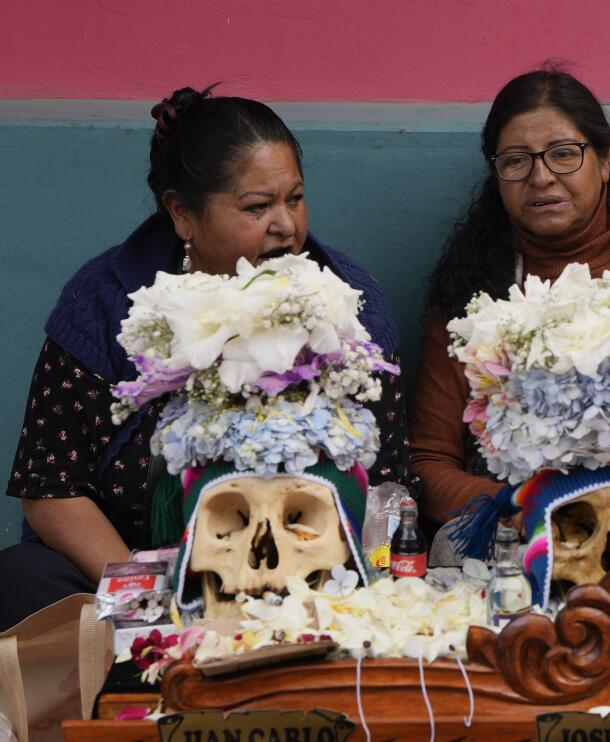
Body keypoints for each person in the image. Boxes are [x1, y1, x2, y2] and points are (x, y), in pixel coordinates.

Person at [1, 86, 417, 630]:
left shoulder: (344, 299)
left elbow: (387, 480)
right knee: (21, 581)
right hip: (129, 571)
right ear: (181, 214)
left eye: (294, 198)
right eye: (257, 206)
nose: (287, 225)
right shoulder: (106, 301)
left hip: (310, 579)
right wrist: (144, 594)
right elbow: (51, 487)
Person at [412, 67, 610, 526]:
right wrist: (534, 510)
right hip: (526, 528)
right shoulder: (469, 293)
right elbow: (429, 461)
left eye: (564, 154)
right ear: (497, 174)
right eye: (516, 161)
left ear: (604, 161)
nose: (541, 177)